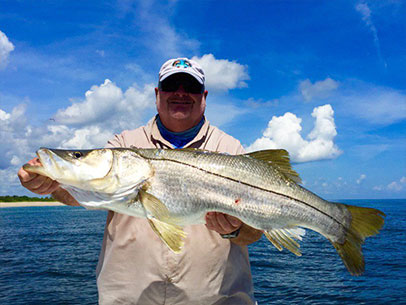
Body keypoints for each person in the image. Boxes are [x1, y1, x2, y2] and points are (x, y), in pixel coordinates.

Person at [18, 57, 263, 305]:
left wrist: (235, 230)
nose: (180, 92)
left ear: (204, 96)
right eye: (171, 85)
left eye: (190, 87)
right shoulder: (124, 143)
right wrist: (52, 184)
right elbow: (82, 192)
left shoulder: (232, 150)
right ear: (157, 94)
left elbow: (255, 231)